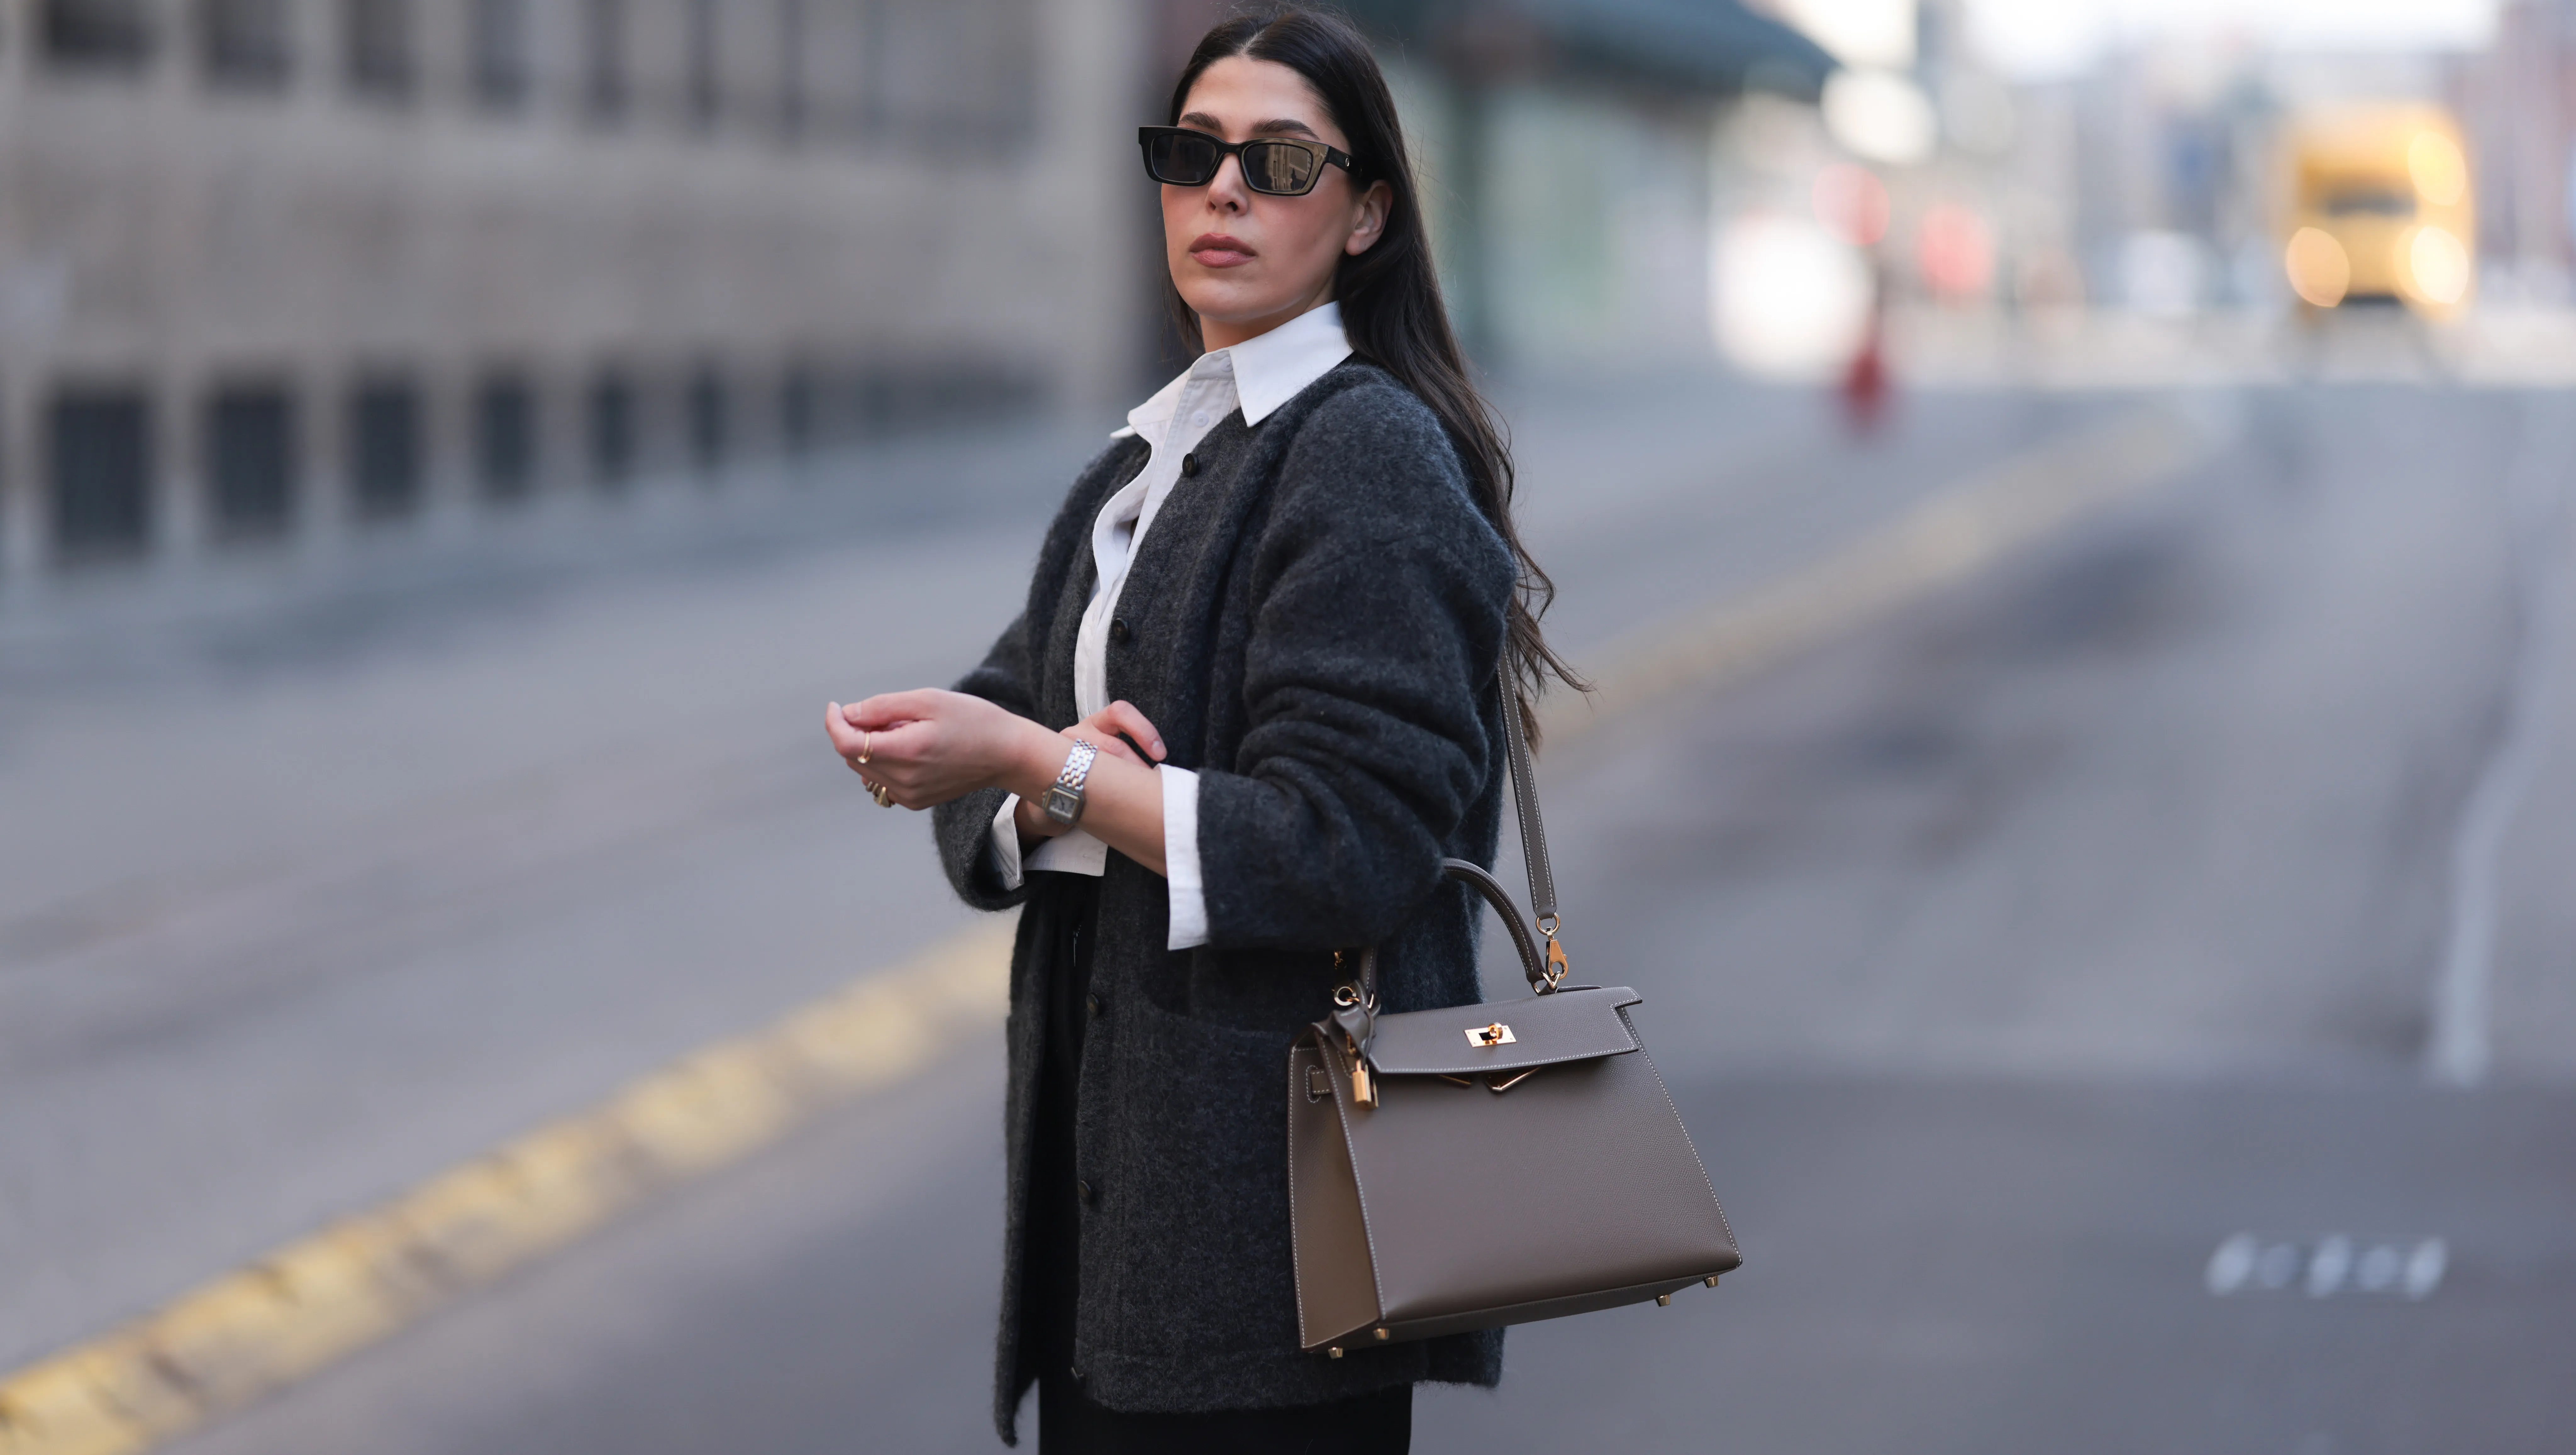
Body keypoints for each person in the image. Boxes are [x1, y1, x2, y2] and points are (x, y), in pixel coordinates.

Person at [824, 8, 1575, 1448]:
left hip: (1276, 1260)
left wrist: (1050, 768)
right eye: (1191, 152)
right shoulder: (1148, 455)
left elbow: (1349, 846)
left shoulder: (1363, 453)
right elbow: (1004, 736)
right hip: (1117, 1235)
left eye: (1280, 161)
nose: (1222, 189)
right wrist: (1026, 779)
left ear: (1364, 213)